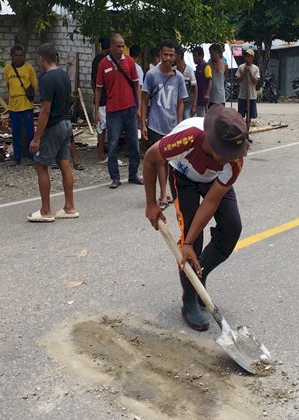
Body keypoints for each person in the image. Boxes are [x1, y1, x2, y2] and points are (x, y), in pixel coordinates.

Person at [143, 105, 249, 332]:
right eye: (226, 154)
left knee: (232, 228)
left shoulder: (233, 161)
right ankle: (189, 298)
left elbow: (211, 202)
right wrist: (151, 204)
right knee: (192, 235)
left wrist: (189, 243)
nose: (230, 159)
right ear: (212, 142)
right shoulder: (186, 139)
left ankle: (199, 278)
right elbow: (151, 160)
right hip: (183, 177)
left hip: (213, 181)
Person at [28, 43, 78, 222]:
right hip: (66, 124)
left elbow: (45, 110)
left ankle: (45, 210)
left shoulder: (46, 79)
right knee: (64, 164)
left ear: (42, 58)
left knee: (41, 165)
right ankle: (70, 207)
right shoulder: (64, 76)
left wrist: (36, 137)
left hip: (54, 126)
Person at [141, 39, 187, 210]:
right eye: (165, 54)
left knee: (171, 161)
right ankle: (162, 193)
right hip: (155, 123)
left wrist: (181, 123)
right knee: (160, 159)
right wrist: (143, 123)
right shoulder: (152, 75)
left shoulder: (179, 77)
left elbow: (180, 102)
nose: (168, 58)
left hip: (172, 125)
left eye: (171, 55)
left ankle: (170, 191)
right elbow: (144, 99)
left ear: (175, 56)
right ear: (160, 55)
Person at [96, 33, 144, 189]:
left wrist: (138, 107)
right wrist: (96, 110)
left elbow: (137, 85)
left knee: (133, 143)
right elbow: (98, 89)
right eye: (118, 46)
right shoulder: (103, 64)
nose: (121, 49)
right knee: (113, 144)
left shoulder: (130, 62)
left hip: (130, 109)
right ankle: (115, 177)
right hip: (113, 111)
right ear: (110, 47)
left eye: (123, 46)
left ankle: (133, 174)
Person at [4, 44, 38, 166]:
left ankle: (32, 156)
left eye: (20, 55)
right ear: (12, 56)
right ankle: (16, 158)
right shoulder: (8, 69)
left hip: (27, 104)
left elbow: (34, 85)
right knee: (16, 133)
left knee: (30, 132)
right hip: (14, 105)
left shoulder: (29, 68)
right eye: (16, 55)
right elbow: (8, 85)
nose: (18, 58)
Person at [92, 36, 110, 164]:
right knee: (102, 128)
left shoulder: (95, 60)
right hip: (104, 99)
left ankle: (102, 153)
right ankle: (100, 155)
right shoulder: (104, 60)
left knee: (102, 128)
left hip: (101, 98)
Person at [234, 48, 259, 138]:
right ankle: (241, 133)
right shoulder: (241, 67)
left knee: (249, 116)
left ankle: (246, 134)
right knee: (241, 116)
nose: (247, 58)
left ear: (252, 58)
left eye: (249, 56)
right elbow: (237, 80)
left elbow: (255, 81)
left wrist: (250, 73)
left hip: (251, 96)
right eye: (246, 56)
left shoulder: (255, 68)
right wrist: (244, 73)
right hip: (242, 95)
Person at [175, 46, 196, 120]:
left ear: (179, 56)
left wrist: (194, 105)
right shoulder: (173, 70)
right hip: (176, 104)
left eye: (174, 55)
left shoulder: (189, 70)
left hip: (187, 104)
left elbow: (195, 88)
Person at [192, 46, 211, 117]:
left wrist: (207, 94)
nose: (194, 58)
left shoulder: (206, 67)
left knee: (202, 117)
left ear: (201, 56)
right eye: (193, 56)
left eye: (196, 56)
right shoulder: (198, 67)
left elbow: (210, 81)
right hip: (198, 97)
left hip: (203, 98)